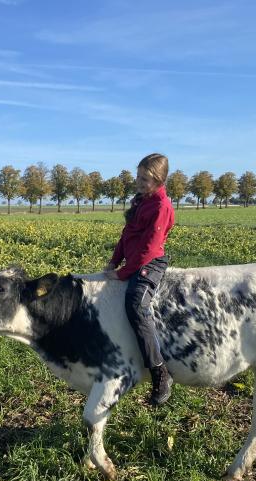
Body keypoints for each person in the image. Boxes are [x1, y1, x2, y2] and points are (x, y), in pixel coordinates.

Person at [104, 153, 175, 406]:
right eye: (138, 177)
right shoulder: (141, 201)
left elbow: (148, 248)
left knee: (136, 302)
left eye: (145, 179)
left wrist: (122, 273)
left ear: (159, 180)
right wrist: (114, 261)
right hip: (134, 260)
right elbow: (127, 236)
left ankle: (160, 372)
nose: (140, 182)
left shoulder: (161, 207)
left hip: (150, 262)